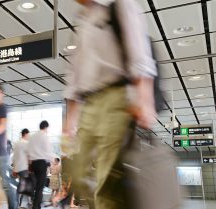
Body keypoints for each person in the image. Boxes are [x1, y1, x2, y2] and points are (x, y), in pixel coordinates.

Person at [63, 1, 157, 209]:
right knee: (77, 173)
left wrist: (145, 98)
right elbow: (74, 74)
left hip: (117, 97)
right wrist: (70, 121)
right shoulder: (83, 19)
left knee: (107, 178)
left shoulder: (120, 4)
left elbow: (140, 54)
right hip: (89, 103)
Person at [27, 120, 56, 209]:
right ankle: (36, 206)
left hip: (33, 164)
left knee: (35, 186)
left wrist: (29, 164)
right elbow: (48, 151)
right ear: (46, 127)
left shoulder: (32, 137)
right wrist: (52, 161)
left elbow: (29, 150)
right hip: (41, 164)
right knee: (40, 187)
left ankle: (34, 203)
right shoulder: (44, 136)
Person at [12, 128, 30, 205]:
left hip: (18, 168)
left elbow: (14, 157)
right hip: (24, 167)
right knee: (22, 185)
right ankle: (17, 203)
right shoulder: (26, 143)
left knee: (21, 184)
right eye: (28, 135)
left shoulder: (16, 143)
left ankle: (17, 202)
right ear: (25, 134)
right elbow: (28, 156)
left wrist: (14, 169)